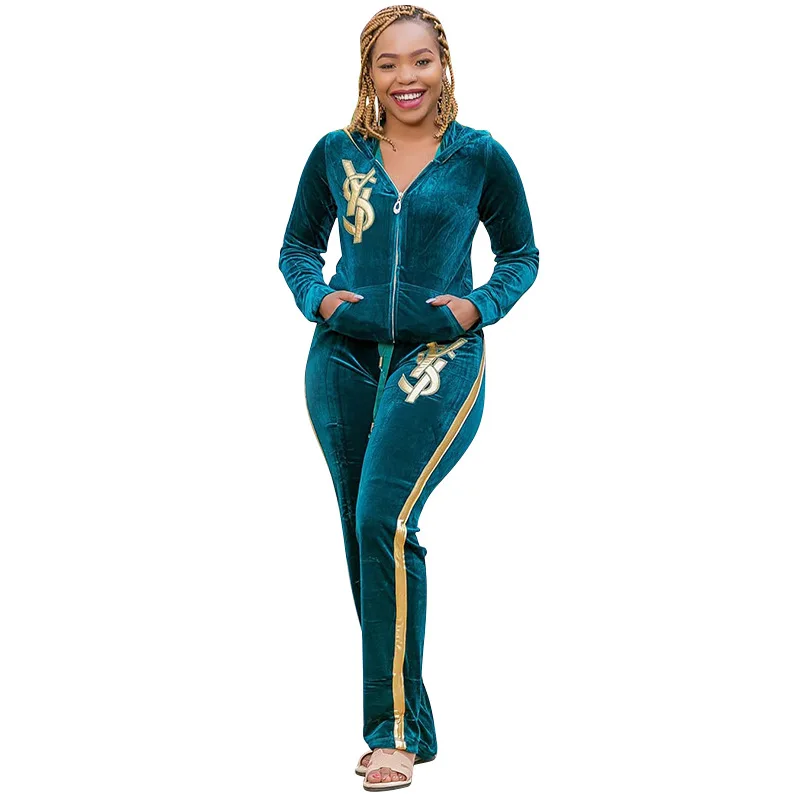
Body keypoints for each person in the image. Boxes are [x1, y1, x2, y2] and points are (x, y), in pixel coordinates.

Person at [278, 5, 539, 791]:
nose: (406, 78)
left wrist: (477, 308)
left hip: (440, 355)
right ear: (369, 73)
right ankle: (410, 719)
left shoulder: (478, 155)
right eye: (388, 64)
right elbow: (297, 246)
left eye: (419, 60)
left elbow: (521, 254)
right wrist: (318, 299)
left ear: (443, 64)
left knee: (383, 521)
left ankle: (391, 734)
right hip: (343, 358)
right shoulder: (337, 152)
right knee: (364, 534)